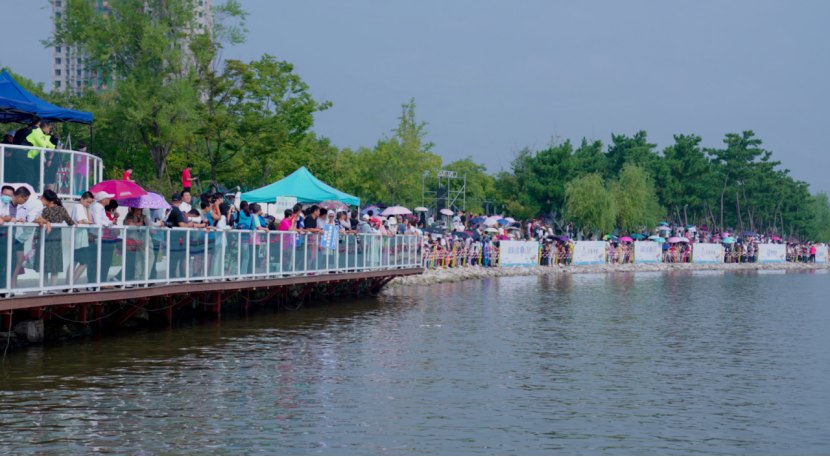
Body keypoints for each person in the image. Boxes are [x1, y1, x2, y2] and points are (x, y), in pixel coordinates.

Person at [40, 189, 75, 288]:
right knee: (55, 264)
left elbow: (38, 224)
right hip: (56, 240)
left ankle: (44, 286)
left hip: (44, 239)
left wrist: (35, 240)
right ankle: (53, 286)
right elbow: (70, 222)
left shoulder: (43, 210)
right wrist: (75, 223)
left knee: (45, 264)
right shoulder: (61, 209)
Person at [87, 191, 115, 286]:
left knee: (99, 260)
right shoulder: (97, 207)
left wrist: (111, 222)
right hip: (94, 236)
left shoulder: (101, 208)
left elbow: (105, 220)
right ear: (103, 200)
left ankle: (98, 281)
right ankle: (92, 281)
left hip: (98, 236)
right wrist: (107, 223)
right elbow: (98, 222)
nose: (109, 199)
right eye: (108, 198)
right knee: (94, 260)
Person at [70, 191, 95, 286]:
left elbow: (89, 220)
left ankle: (69, 284)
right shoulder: (79, 207)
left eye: (90, 202)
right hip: (80, 239)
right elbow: (81, 221)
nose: (88, 204)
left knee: (74, 262)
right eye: (88, 202)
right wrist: (89, 222)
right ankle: (71, 284)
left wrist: (88, 208)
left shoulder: (80, 207)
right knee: (84, 263)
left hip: (79, 238)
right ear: (82, 199)